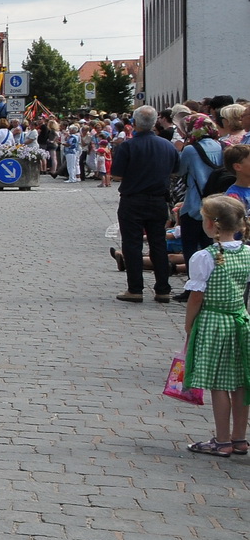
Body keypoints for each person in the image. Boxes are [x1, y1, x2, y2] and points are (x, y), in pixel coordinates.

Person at [181, 195, 250, 457]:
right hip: (240, 318)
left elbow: (196, 296)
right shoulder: (247, 252)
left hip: (214, 320)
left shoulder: (204, 256)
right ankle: (239, 438)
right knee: (241, 381)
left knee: (219, 383)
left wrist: (189, 326)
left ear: (211, 224)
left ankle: (222, 440)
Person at [112, 105, 180, 304]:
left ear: (134, 124)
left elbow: (117, 174)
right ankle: (163, 289)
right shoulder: (167, 145)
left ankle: (135, 289)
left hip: (133, 199)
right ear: (154, 123)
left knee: (132, 244)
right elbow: (175, 170)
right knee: (158, 243)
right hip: (158, 200)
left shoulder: (128, 146)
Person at [175, 115, 226, 284]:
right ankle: (210, 283)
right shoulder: (221, 146)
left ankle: (194, 285)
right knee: (209, 246)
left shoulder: (191, 149)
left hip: (194, 204)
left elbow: (180, 172)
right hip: (215, 203)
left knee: (190, 247)